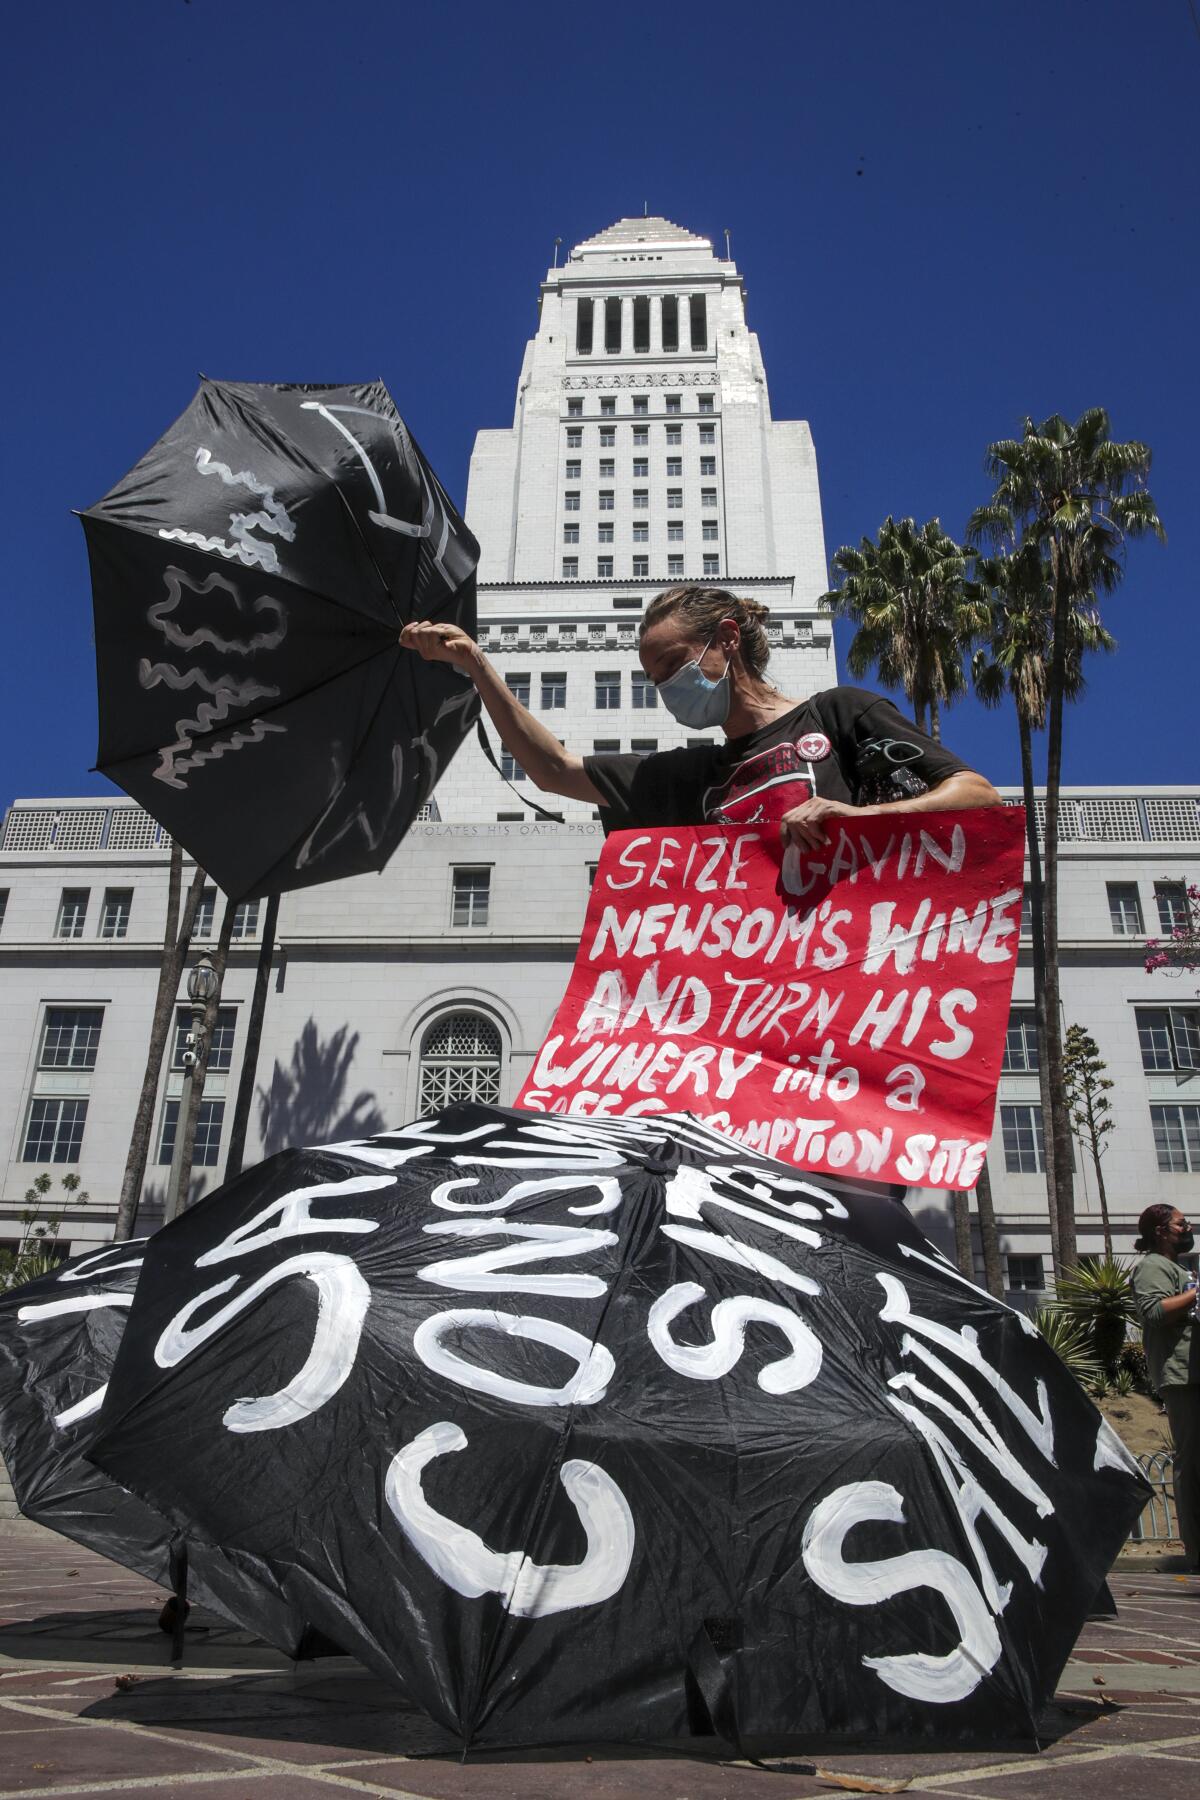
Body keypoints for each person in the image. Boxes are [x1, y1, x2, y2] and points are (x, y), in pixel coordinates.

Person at [401, 584, 1000, 840]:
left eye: (673, 664)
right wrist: (477, 665)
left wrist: (854, 817)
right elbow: (555, 769)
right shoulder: (690, 777)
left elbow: (976, 794)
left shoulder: (840, 714)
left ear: (727, 639)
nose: (664, 686)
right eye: (653, 677)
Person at [1131, 1203, 1200, 1569]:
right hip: (1183, 1374)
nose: (1187, 1227)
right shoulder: (1151, 1267)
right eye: (1180, 1223)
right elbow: (1154, 1312)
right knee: (1192, 1462)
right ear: (1160, 1231)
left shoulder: (1179, 1268)